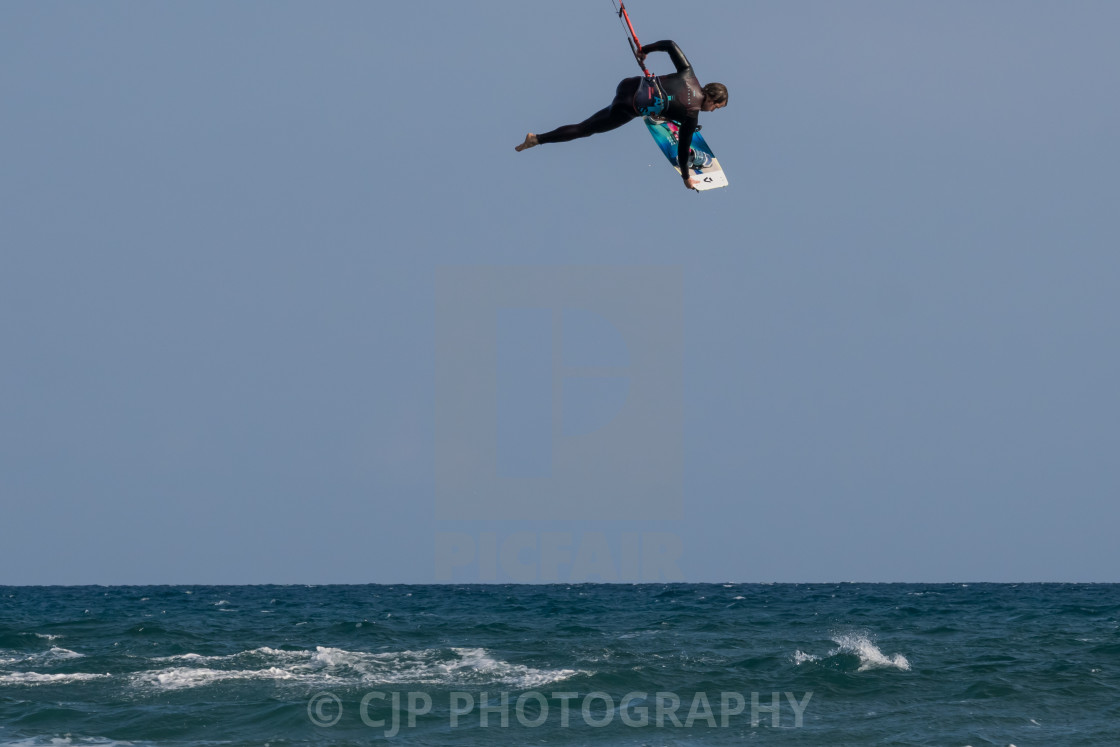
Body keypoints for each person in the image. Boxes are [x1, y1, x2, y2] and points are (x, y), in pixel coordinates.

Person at [515, 40, 727, 190]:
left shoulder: (688, 73)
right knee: (585, 129)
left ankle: (662, 115)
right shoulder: (692, 116)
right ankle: (537, 139)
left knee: (663, 107)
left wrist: (644, 50)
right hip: (628, 107)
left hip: (629, 84)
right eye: (717, 107)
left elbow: (670, 45)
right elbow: (682, 149)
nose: (713, 111)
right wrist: (686, 178)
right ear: (711, 99)